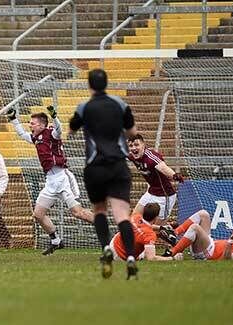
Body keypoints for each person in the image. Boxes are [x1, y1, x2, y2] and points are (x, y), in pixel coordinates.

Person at [69, 68, 139, 279]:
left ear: (89, 86)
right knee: (122, 215)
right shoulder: (120, 104)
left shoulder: (84, 107)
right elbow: (132, 132)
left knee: (99, 210)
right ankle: (130, 258)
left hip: (95, 167)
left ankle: (106, 249)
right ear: (106, 83)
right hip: (118, 165)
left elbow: (72, 129)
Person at [7, 105, 93, 256]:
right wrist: (14, 119)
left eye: (32, 123)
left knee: (78, 213)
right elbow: (21, 134)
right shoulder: (35, 137)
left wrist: (54, 115)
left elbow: (59, 129)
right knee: (38, 214)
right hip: (50, 181)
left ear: (41, 124)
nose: (30, 125)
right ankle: (56, 241)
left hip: (63, 178)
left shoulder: (52, 133)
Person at [162, 210, 233, 261]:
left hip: (208, 252)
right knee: (204, 214)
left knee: (195, 227)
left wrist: (231, 240)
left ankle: (171, 253)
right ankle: (174, 234)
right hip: (210, 244)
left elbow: (227, 258)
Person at [127, 134, 184, 220]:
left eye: (136, 145)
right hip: (151, 192)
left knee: (158, 227)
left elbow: (163, 167)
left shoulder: (151, 157)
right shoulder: (132, 156)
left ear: (143, 144)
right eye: (131, 146)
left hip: (164, 196)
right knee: (134, 218)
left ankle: (170, 230)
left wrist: (175, 176)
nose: (133, 148)